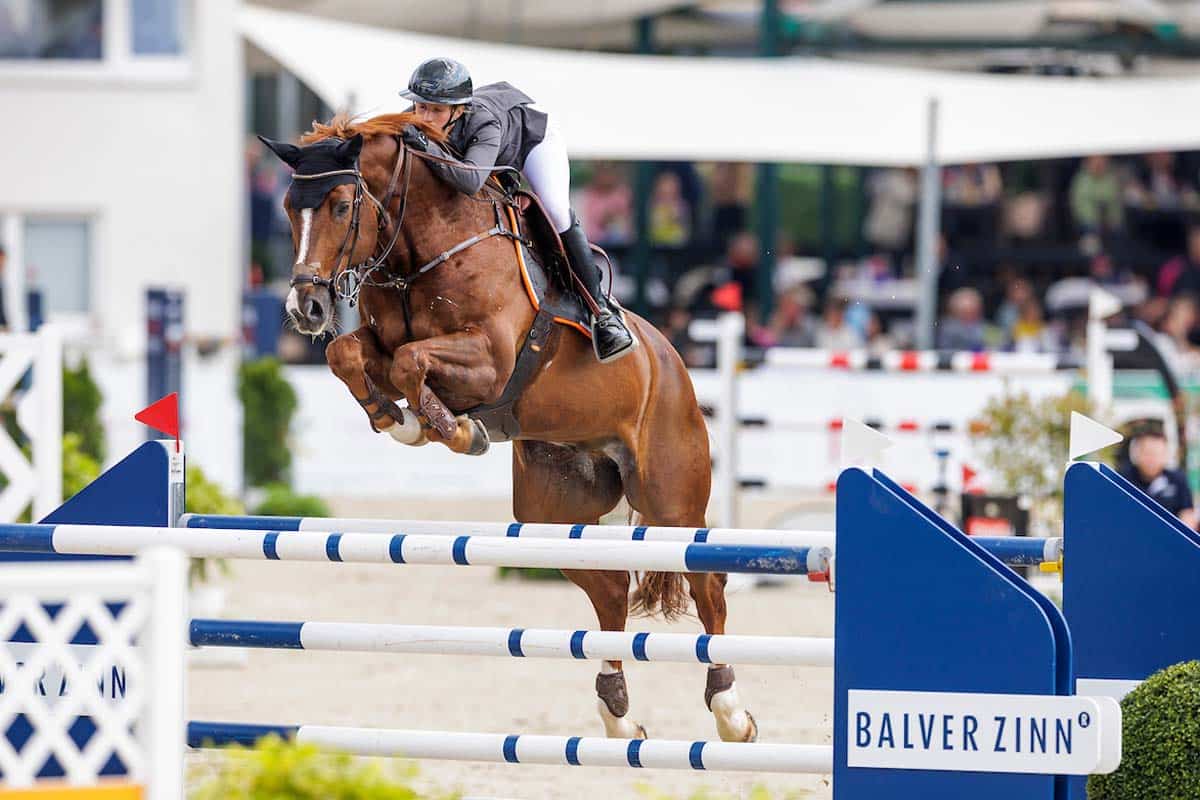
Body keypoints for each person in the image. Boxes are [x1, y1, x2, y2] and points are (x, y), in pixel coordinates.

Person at [397, 58, 635, 363]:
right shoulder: (413, 118)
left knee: (556, 210)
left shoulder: (483, 121)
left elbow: (470, 180)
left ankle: (601, 311)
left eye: (437, 110)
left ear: (459, 110)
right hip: (491, 158)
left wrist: (426, 148)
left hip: (532, 142)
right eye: (421, 107)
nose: (426, 117)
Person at [1119, 420, 1197, 529]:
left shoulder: (1178, 479)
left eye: (1156, 453)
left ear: (1166, 454)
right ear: (1136, 453)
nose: (1152, 459)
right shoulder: (1123, 479)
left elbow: (1187, 514)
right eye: (1147, 453)